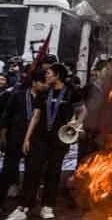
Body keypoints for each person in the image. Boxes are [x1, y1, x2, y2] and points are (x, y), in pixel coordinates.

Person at [6, 63, 85, 220]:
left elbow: (82, 110)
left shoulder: (71, 93)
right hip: (39, 138)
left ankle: (47, 206)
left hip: (60, 140)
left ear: (57, 75)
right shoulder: (44, 92)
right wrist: (27, 139)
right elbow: (35, 117)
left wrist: (77, 124)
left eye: (49, 73)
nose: (46, 76)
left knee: (53, 173)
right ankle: (23, 207)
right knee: (32, 171)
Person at [0, 71, 47, 200]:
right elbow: (6, 115)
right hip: (15, 138)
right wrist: (3, 135)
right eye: (42, 83)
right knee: (8, 170)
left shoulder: (46, 98)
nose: (45, 86)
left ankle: (26, 200)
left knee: (32, 171)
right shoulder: (18, 96)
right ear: (34, 83)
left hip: (34, 140)